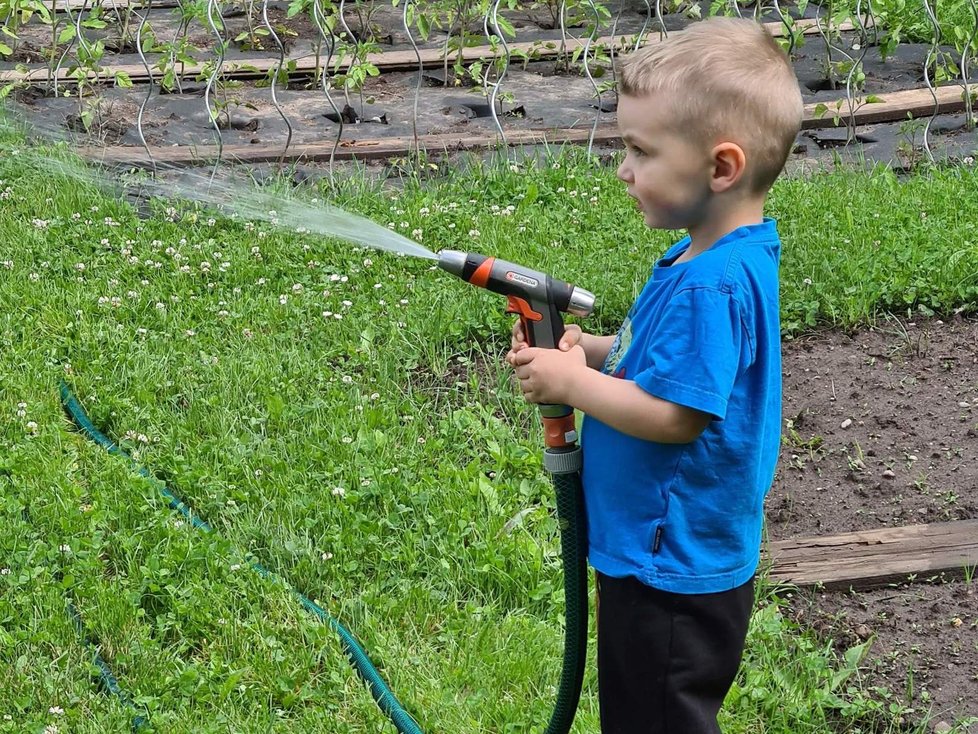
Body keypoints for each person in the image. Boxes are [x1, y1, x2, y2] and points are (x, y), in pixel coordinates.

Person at [506, 16, 803, 734]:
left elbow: (677, 415)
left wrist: (573, 386)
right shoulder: (709, 257)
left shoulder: (711, 284)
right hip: (666, 552)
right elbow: (678, 366)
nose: (624, 169)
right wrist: (600, 352)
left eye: (641, 150)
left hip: (669, 565)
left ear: (721, 167)